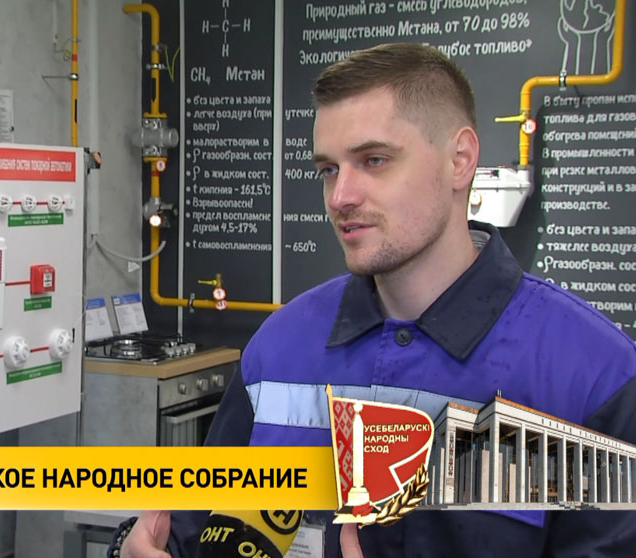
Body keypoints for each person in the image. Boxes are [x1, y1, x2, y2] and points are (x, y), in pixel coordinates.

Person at [109, 42, 636, 558]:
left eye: (374, 160)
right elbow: (187, 533)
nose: (341, 197)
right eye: (329, 169)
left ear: (459, 160)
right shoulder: (280, 349)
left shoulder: (596, 377)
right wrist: (131, 548)